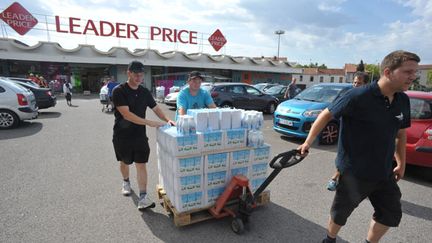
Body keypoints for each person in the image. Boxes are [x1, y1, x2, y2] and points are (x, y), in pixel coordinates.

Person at [298, 50, 419, 243]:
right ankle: (330, 239)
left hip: (384, 171)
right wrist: (307, 142)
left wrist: (401, 162)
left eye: (415, 73)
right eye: (408, 72)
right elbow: (326, 114)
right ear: (388, 72)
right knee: (340, 214)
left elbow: (400, 133)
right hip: (354, 172)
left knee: (390, 214)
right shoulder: (357, 95)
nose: (413, 77)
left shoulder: (402, 100)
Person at [112, 60, 175, 211]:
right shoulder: (119, 91)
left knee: (141, 164)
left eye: (141, 74)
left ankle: (143, 197)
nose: (139, 77)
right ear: (128, 73)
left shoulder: (144, 92)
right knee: (125, 162)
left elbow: (155, 108)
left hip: (139, 135)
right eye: (136, 74)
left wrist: (167, 119)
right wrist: (149, 123)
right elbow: (127, 115)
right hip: (123, 135)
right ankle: (126, 181)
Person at [327, 71, 370, 191]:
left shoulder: (370, 99)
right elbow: (333, 108)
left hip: (364, 136)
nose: (356, 85)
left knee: (357, 160)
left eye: (359, 83)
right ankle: (336, 178)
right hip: (348, 133)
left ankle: (343, 180)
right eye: (354, 82)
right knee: (344, 158)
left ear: (366, 84)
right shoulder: (348, 94)